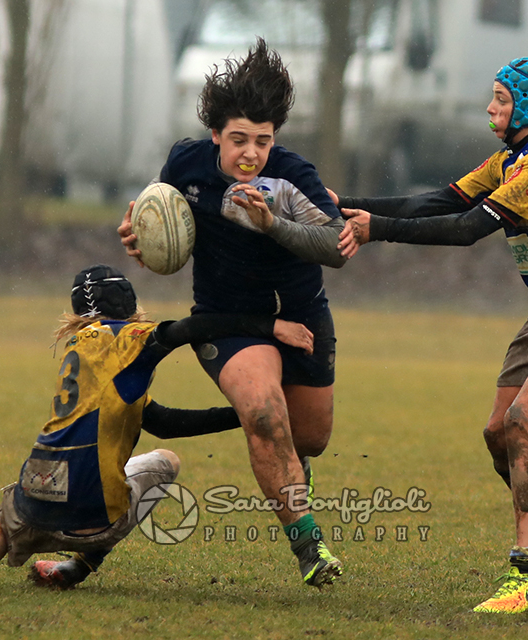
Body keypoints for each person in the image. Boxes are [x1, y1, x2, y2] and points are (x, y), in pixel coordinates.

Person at [334, 57, 528, 613]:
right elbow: (443, 201)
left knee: (524, 423)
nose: (491, 108)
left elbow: (468, 229)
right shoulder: (509, 160)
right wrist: (347, 205)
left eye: (500, 98)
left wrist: (379, 232)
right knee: (498, 432)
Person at [0, 264, 315, 591]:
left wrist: (236, 415)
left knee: (0, 515)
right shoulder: (130, 339)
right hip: (95, 518)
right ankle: (81, 564)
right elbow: (193, 329)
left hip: (35, 502)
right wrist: (269, 328)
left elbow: (160, 420)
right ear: (131, 306)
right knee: (164, 463)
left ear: (79, 313)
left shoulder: (81, 349)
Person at [118, 38, 347, 588]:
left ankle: (296, 473)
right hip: (225, 321)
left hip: (302, 318)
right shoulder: (186, 162)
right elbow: (159, 216)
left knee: (308, 438)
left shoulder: (294, 176)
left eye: (263, 141)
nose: (250, 153)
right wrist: (138, 235)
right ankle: (311, 549)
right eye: (238, 139)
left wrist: (274, 225)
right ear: (215, 134)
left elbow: (336, 245)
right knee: (264, 414)